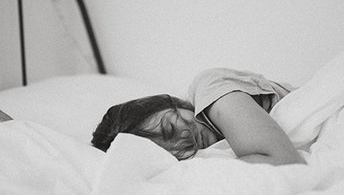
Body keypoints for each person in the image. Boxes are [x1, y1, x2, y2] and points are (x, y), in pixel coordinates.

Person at [91, 68, 305, 165]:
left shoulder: (211, 88)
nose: (185, 139)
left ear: (170, 103)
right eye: (171, 151)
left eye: (170, 129)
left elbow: (285, 162)